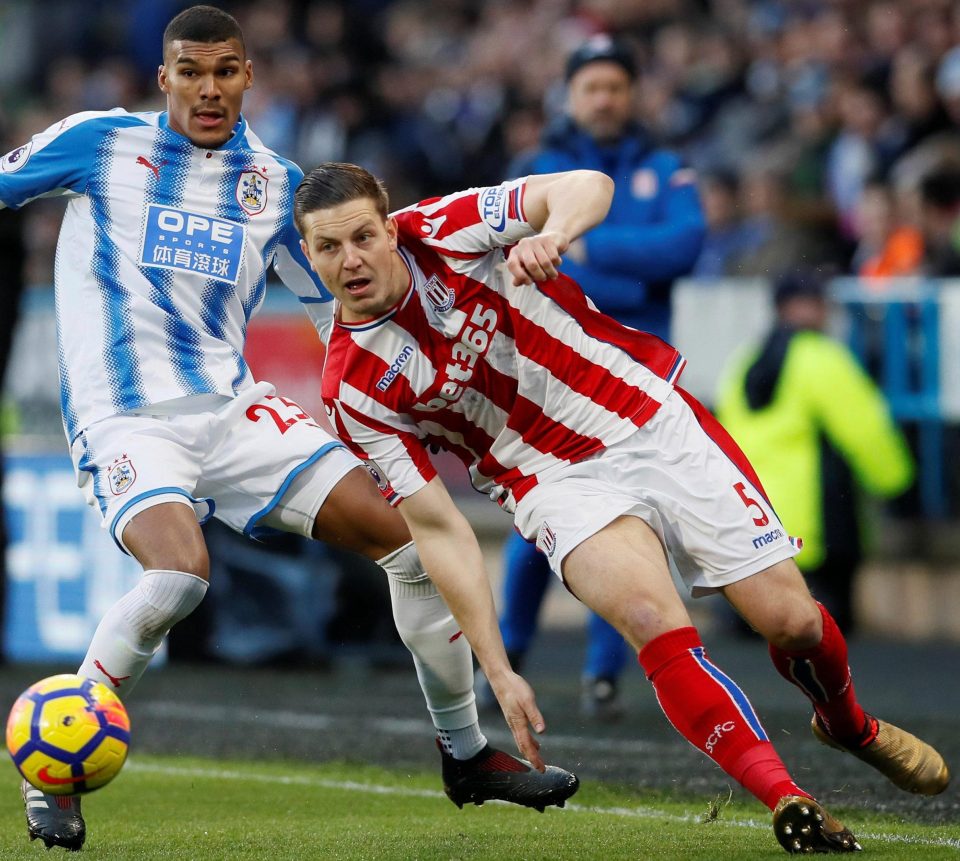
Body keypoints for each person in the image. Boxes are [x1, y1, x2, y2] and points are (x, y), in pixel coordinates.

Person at [0, 6, 576, 851]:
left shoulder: (274, 184)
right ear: (163, 78)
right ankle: (50, 770)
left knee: (413, 548)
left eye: (225, 70)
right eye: (190, 71)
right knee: (180, 575)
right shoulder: (101, 143)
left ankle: (466, 755)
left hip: (233, 410)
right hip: (125, 414)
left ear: (247, 77)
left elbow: (340, 311)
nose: (207, 88)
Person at [295, 161, 951, 854]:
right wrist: (498, 666)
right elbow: (438, 529)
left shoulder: (447, 230)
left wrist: (556, 232)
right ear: (308, 256)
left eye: (363, 237)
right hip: (547, 481)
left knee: (790, 622)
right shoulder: (353, 391)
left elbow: (587, 186)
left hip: (642, 414)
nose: (351, 259)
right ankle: (787, 797)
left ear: (391, 226)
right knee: (649, 619)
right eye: (328, 248)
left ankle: (848, 723)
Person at [493, 35, 706, 719]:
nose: (606, 98)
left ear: (633, 93)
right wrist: (616, 260)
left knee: (633, 520)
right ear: (571, 95)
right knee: (539, 517)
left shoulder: (667, 165)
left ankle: (604, 672)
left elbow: (685, 246)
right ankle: (510, 651)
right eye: (593, 87)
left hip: (641, 370)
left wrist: (580, 241)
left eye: (616, 86)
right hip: (554, 371)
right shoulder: (539, 165)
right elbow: (520, 260)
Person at [715, 269, 915, 632]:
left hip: (753, 531)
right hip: (817, 537)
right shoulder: (821, 357)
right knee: (826, 645)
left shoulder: (742, 362)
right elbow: (865, 432)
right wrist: (899, 488)